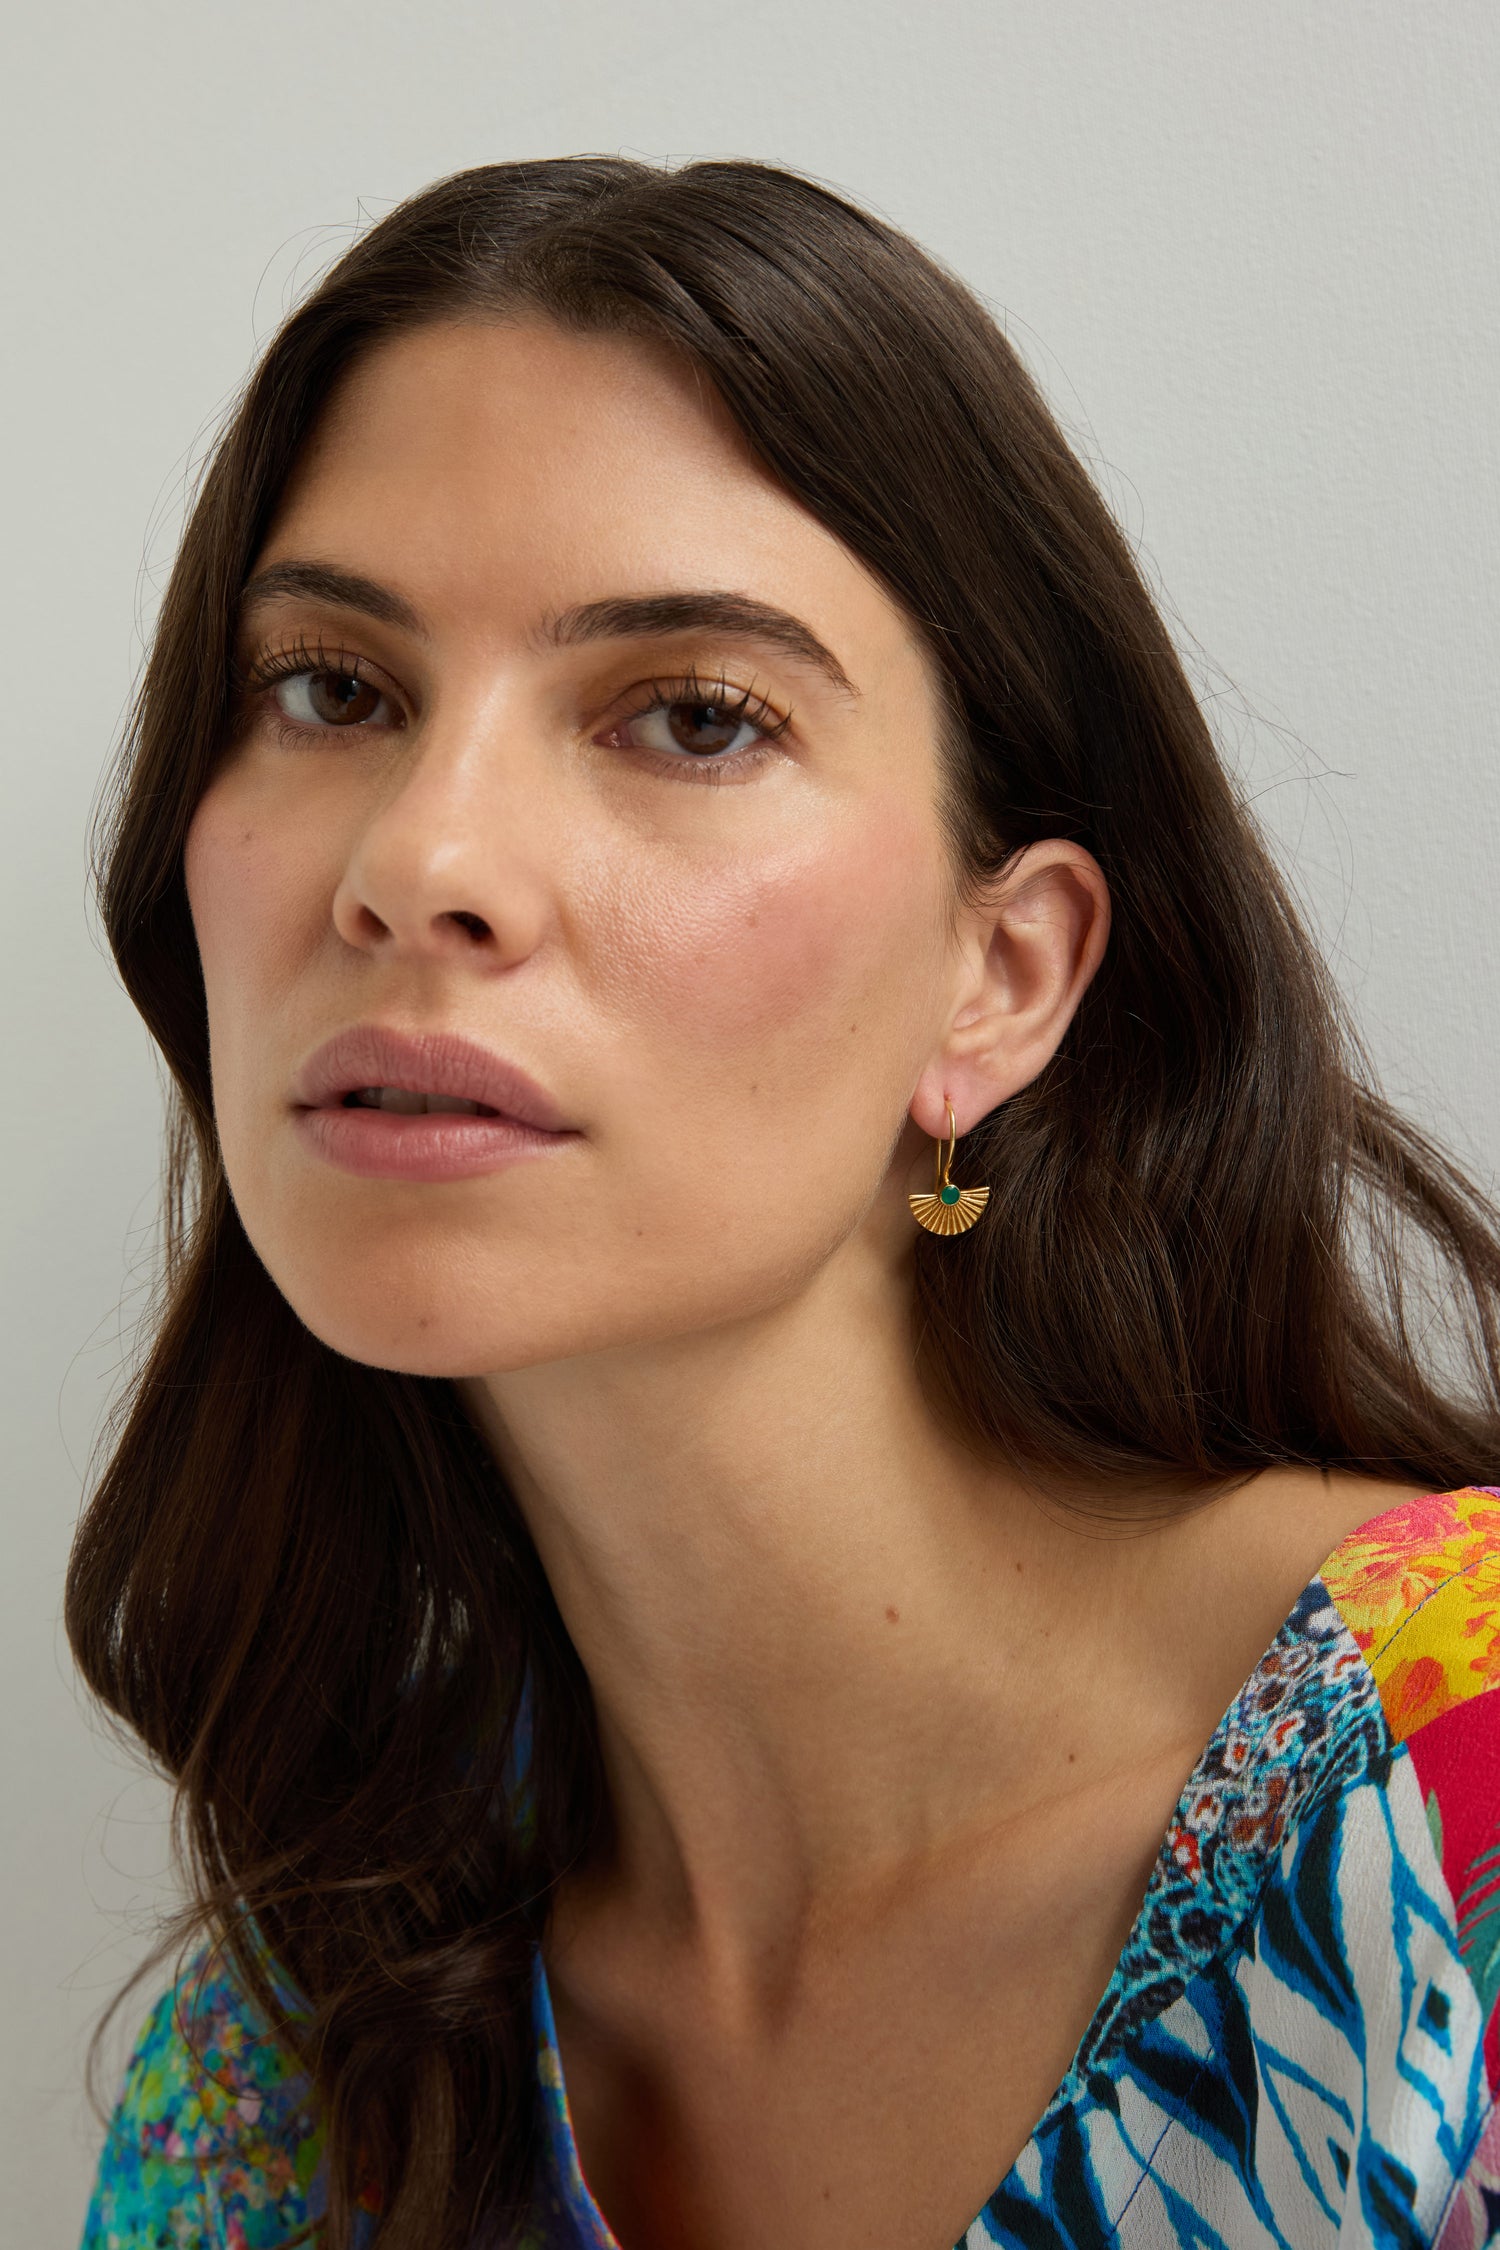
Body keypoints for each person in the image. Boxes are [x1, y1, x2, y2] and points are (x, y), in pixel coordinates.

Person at [71, 155, 1500, 2250]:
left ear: (1000, 975)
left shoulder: (1460, 1802)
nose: (416, 857)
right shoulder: (284, 2093)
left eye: (692, 716)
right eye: (334, 688)